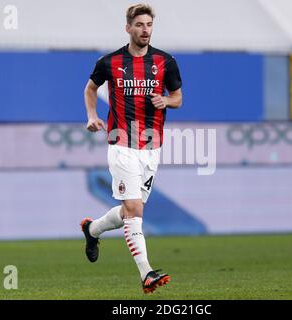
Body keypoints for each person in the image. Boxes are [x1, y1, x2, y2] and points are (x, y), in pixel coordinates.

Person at [80, 3, 182, 294]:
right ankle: (146, 274)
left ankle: (92, 229)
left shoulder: (166, 62)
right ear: (128, 28)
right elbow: (90, 88)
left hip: (152, 147)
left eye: (149, 25)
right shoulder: (110, 62)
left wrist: (166, 101)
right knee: (134, 208)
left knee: (130, 211)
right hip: (120, 142)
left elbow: (178, 97)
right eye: (139, 25)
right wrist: (91, 116)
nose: (145, 30)